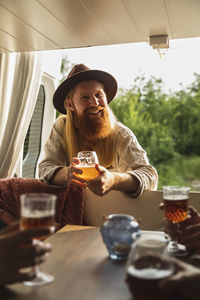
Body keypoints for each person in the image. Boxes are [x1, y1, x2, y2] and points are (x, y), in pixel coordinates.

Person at [39, 64, 158, 197]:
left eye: (98, 95)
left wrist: (113, 180)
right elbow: (45, 168)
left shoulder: (121, 133)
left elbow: (149, 175)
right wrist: (67, 174)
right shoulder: (61, 127)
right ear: (70, 105)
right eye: (85, 97)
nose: (95, 103)